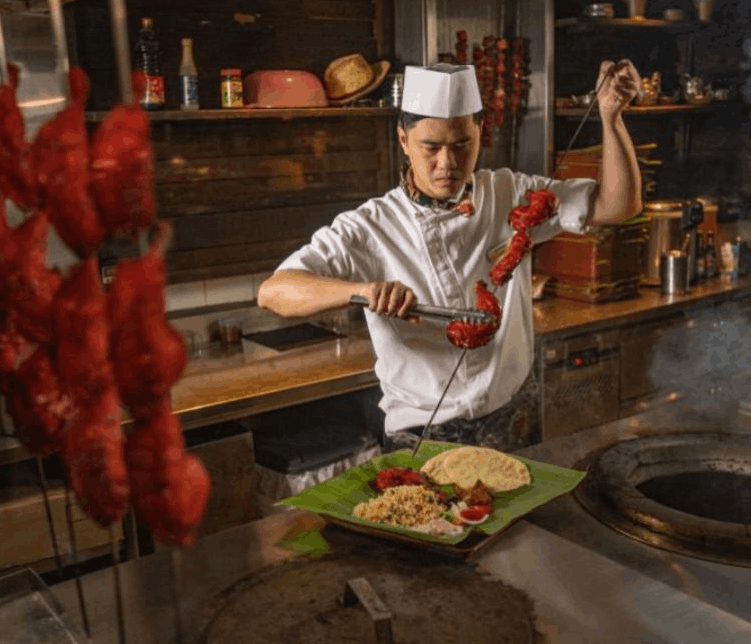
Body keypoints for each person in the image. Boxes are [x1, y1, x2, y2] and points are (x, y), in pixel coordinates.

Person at [257, 60, 642, 452]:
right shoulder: (369, 226)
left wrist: (611, 119)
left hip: (515, 412)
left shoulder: (510, 192)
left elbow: (617, 205)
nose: (448, 163)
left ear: (480, 134)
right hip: (423, 432)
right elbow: (274, 292)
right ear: (403, 140)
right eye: (431, 147)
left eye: (462, 145)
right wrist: (361, 291)